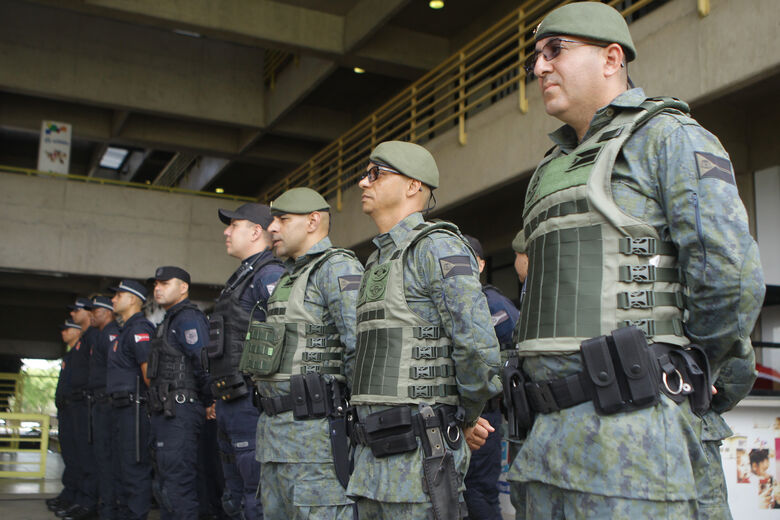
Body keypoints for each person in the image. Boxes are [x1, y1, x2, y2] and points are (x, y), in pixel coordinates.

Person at [505, 3, 765, 518]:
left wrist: (702, 369)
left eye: (554, 50)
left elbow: (728, 275)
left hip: (635, 439)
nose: (539, 68)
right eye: (535, 56)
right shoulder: (548, 170)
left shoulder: (668, 137)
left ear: (611, 58)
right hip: (543, 443)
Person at [347, 140, 502, 518]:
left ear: (413, 185)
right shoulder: (377, 261)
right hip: (372, 463)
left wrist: (462, 419)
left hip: (420, 463)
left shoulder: (437, 247)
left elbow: (478, 348)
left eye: (375, 174)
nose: (362, 184)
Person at [241, 187, 364, 519]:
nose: (272, 228)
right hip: (275, 438)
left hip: (316, 443)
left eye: (282, 219)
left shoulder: (337, 268)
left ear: (313, 221)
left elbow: (361, 348)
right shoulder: (287, 277)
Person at [206, 202, 284, 520]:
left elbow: (286, 336)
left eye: (233, 225)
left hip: (252, 405)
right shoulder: (242, 278)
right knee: (234, 497)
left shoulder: (269, 275)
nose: (226, 231)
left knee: (254, 498)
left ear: (255, 232)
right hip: (230, 401)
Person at [462, 235, 519, 520]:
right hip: (464, 417)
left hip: (485, 415)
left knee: (478, 490)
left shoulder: (493, 305)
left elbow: (516, 354)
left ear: (481, 264)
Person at [147, 266, 211, 520]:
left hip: (181, 411)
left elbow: (204, 362)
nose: (158, 288)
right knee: (166, 484)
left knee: (178, 484)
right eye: (156, 284)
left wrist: (210, 400)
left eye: (165, 283)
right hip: (166, 412)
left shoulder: (188, 318)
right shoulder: (169, 320)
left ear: (183, 287)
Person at [108, 280, 155, 520]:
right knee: (121, 470)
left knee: (134, 470)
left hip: (135, 409)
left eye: (119, 295)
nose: (113, 299)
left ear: (134, 299)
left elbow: (149, 375)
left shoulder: (139, 329)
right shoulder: (124, 330)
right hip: (120, 408)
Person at [53, 298, 99, 520]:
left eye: (76, 311)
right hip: (71, 407)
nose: (72, 314)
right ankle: (74, 496)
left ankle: (87, 501)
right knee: (73, 456)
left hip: (84, 405)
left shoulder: (93, 338)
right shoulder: (81, 343)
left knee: (85, 457)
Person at [87, 295, 120, 519]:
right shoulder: (99, 335)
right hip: (99, 402)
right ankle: (105, 507)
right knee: (101, 457)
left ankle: (109, 510)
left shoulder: (110, 334)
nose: (92, 314)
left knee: (108, 459)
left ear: (107, 312)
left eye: (96, 311)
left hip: (108, 403)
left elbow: (115, 368)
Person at [47, 320, 82, 515]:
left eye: (67, 329)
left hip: (77, 408)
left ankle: (79, 498)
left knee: (78, 456)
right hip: (67, 410)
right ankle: (69, 494)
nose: (63, 333)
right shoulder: (70, 354)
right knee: (68, 455)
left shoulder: (83, 350)